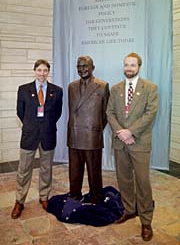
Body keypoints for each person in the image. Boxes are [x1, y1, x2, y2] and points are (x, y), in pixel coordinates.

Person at [106, 52, 158, 241]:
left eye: (133, 65)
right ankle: (129, 210)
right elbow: (109, 112)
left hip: (139, 142)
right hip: (121, 143)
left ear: (139, 67)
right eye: (126, 65)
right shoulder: (116, 88)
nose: (129, 68)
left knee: (143, 182)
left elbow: (150, 114)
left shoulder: (150, 88)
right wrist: (121, 132)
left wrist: (131, 132)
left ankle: (146, 221)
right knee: (124, 179)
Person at [11, 59, 63, 219]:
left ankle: (44, 197)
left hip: (48, 134)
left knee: (46, 168)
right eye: (39, 70)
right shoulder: (23, 89)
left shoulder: (57, 90)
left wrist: (45, 124)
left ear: (48, 72)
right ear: (35, 71)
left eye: (45, 70)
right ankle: (19, 201)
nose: (42, 73)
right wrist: (31, 124)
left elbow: (57, 113)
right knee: (24, 170)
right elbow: (21, 112)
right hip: (29, 135)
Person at [67, 55, 109, 204]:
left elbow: (105, 114)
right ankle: (74, 196)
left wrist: (96, 129)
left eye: (85, 66)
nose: (82, 69)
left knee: (94, 172)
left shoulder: (102, 86)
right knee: (75, 172)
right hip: (75, 135)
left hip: (92, 136)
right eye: (79, 66)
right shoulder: (71, 86)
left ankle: (96, 198)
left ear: (93, 67)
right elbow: (72, 110)